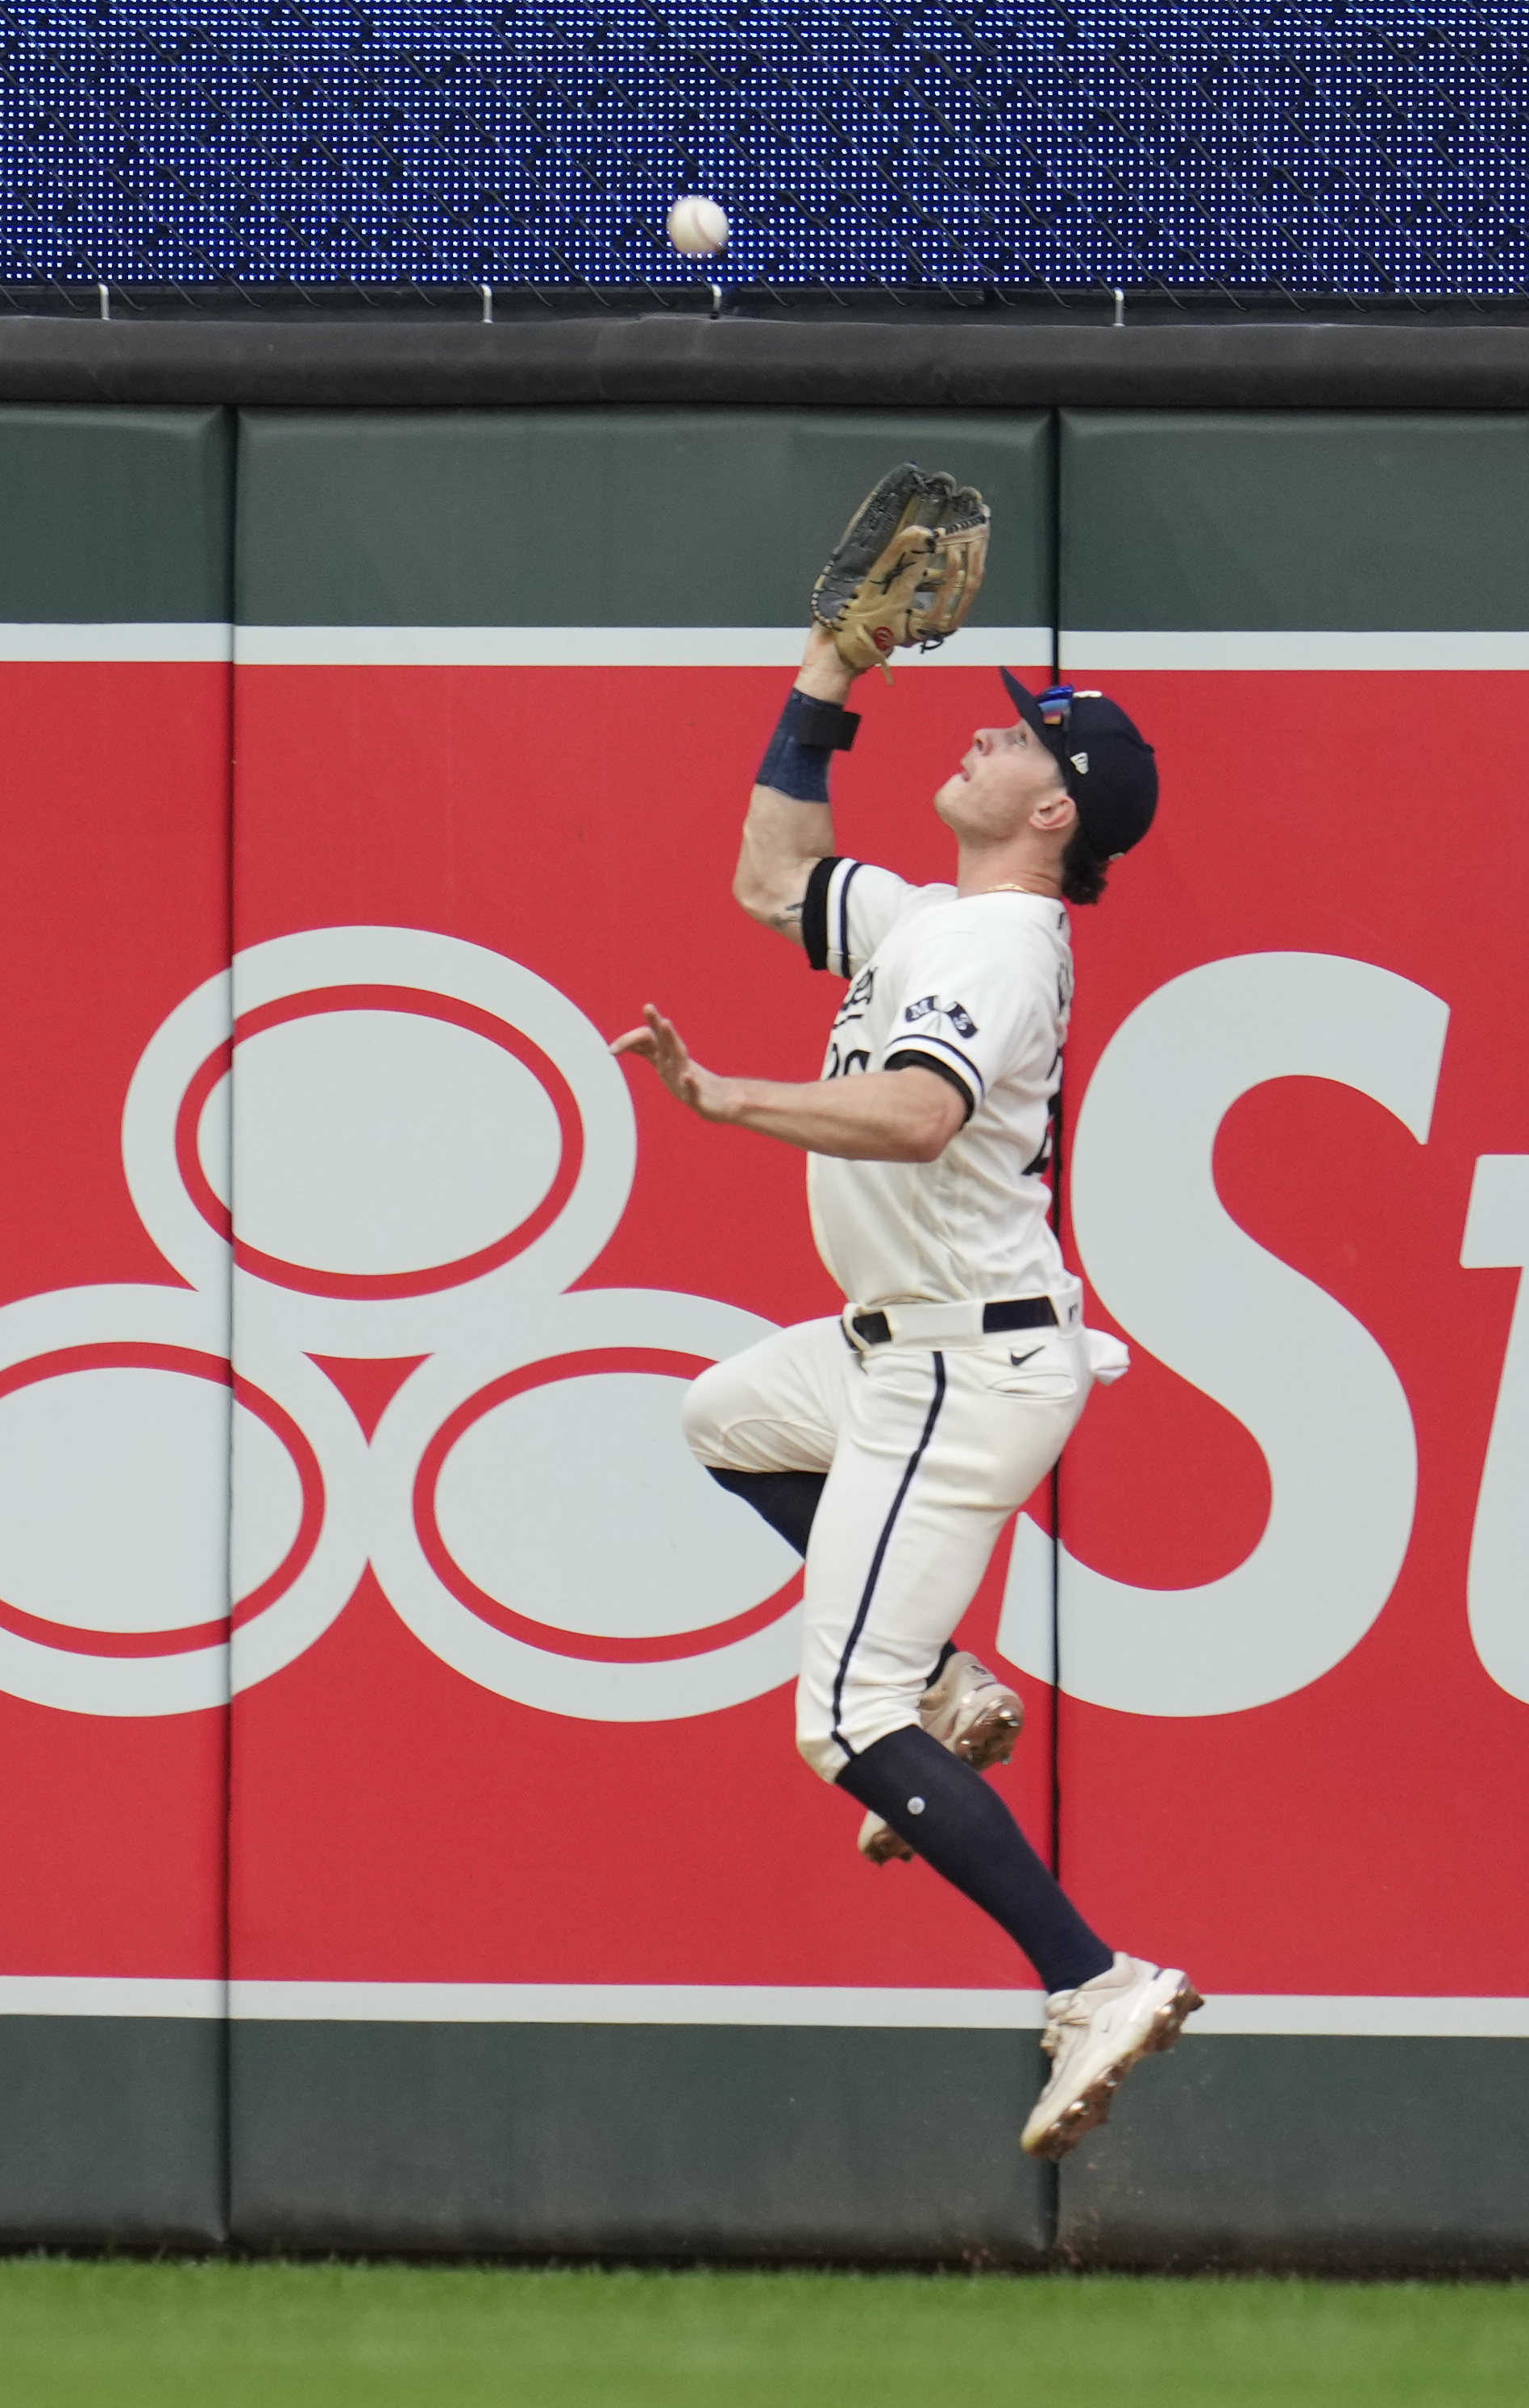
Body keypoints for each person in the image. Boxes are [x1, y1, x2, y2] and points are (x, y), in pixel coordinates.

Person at [610, 627, 1199, 2159]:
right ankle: (944, 1678)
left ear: (1053, 807)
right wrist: (826, 676)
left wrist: (727, 1096)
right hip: (906, 1348)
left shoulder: (998, 949)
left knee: (838, 1719)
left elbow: (920, 1114)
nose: (983, 743)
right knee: (724, 1417)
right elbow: (769, 878)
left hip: (962, 1360)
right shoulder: (933, 917)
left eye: (1014, 741)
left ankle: (1096, 1979)